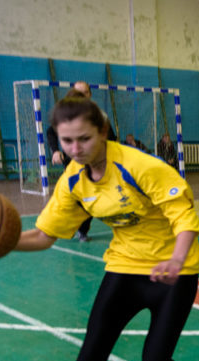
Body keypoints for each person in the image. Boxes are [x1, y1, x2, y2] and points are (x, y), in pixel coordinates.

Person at [17, 93, 199, 361]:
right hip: (124, 267)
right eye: (67, 141)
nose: (75, 149)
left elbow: (184, 217)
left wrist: (176, 259)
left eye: (84, 139)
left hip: (174, 271)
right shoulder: (73, 180)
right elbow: (43, 235)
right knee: (91, 352)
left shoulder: (142, 166)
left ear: (103, 131)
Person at [46, 81, 117, 242]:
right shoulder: (65, 114)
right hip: (73, 163)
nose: (81, 96)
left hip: (95, 164)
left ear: (89, 94)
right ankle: (71, 226)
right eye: (78, 93)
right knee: (74, 196)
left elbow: (111, 139)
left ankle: (82, 228)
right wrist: (55, 150)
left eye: (84, 93)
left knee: (91, 196)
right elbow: (51, 132)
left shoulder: (99, 116)